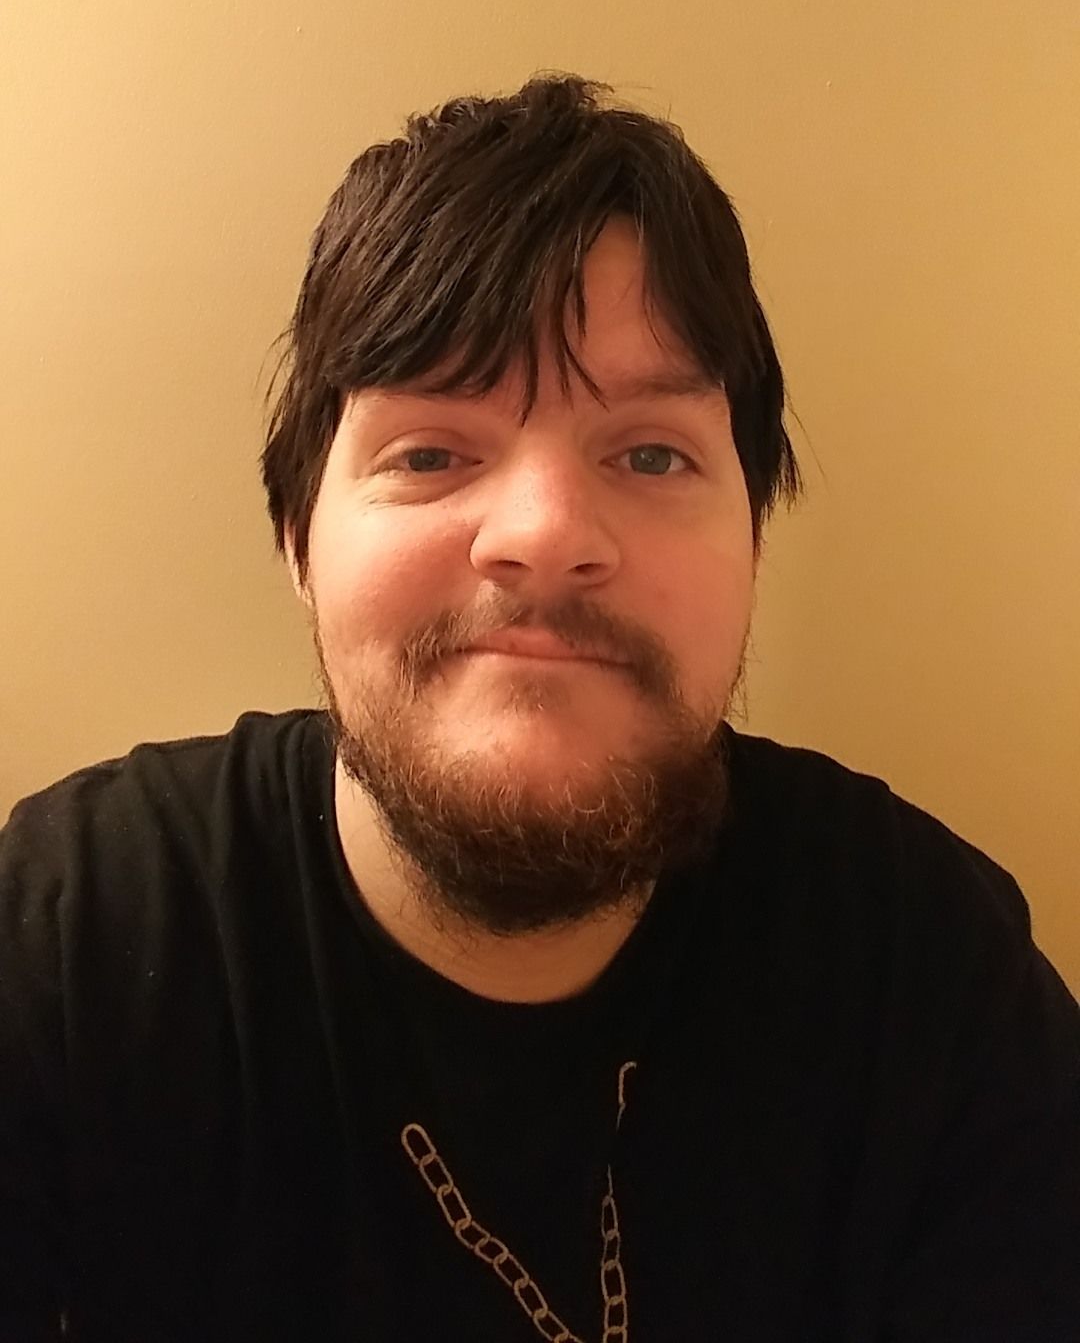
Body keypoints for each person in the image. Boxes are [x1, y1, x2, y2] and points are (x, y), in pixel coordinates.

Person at [1, 74, 1077, 1343]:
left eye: (651, 453)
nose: (546, 532)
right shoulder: (71, 945)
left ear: (753, 541)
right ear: (298, 539)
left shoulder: (929, 976)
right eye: (431, 453)